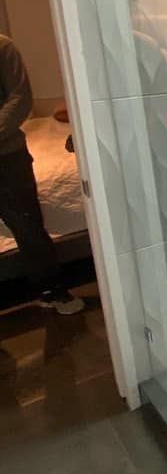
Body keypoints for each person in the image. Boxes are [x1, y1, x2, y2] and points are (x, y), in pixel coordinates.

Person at [0, 34, 83, 314]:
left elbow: (20, 99)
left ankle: (52, 290)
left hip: (6, 155)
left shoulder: (3, 46)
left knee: (28, 226)